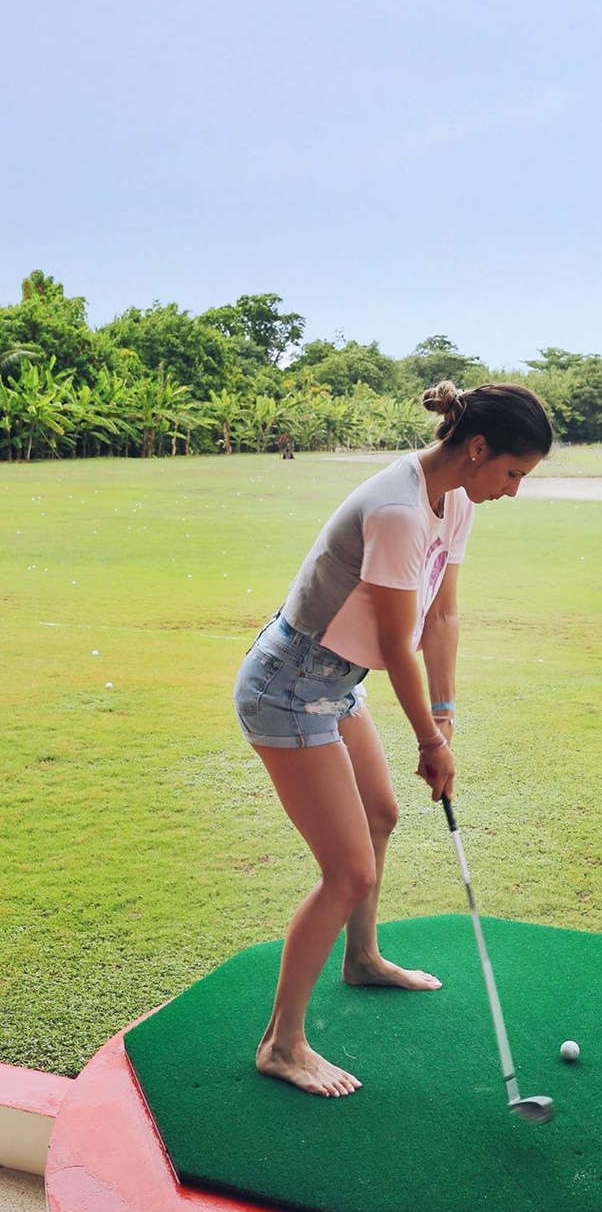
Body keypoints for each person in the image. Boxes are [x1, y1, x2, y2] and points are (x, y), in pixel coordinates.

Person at [233, 380, 553, 1097]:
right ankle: (281, 1044)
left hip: (336, 682)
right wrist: (428, 745)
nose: (513, 489)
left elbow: (439, 621)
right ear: (476, 448)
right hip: (289, 688)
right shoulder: (399, 511)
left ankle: (363, 959)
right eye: (512, 472)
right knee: (348, 873)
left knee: (381, 814)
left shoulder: (456, 500)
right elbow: (395, 643)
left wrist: (444, 717)